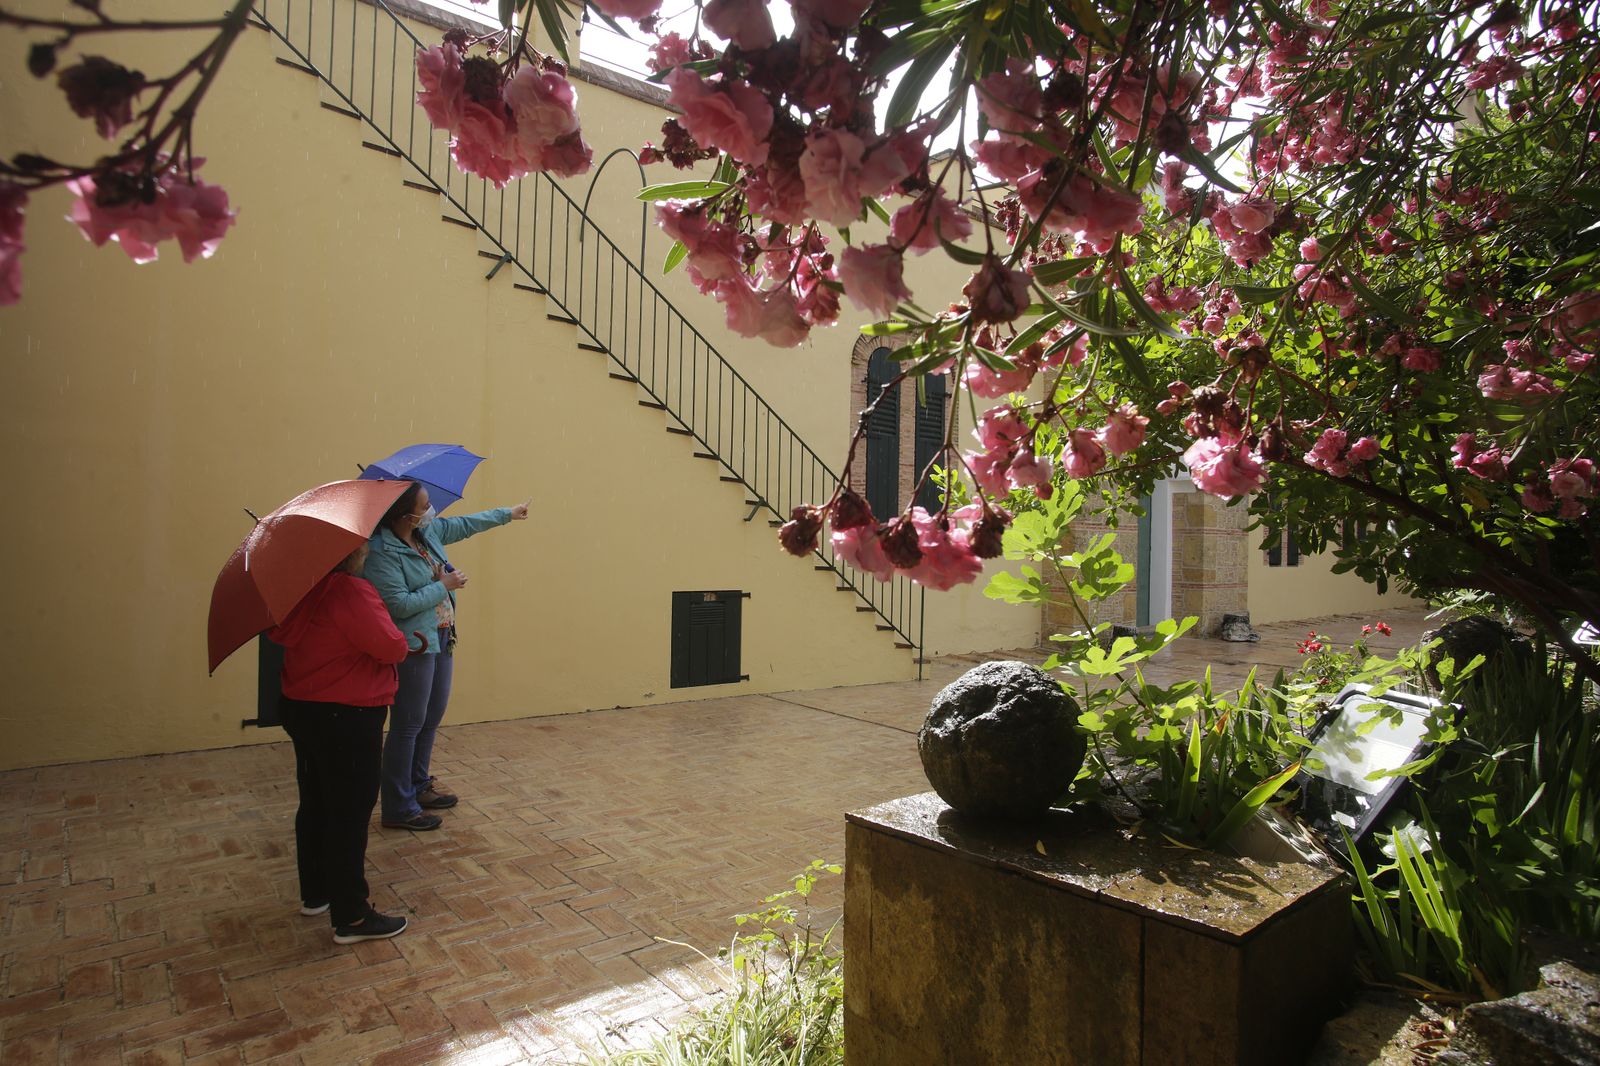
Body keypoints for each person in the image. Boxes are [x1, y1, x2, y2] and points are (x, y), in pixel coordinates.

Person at [363, 481, 528, 830]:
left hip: (441, 636)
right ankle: (398, 805)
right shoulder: (381, 551)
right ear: (404, 513)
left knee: (431, 716)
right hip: (414, 643)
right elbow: (397, 605)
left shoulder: (426, 534)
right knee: (408, 724)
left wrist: (507, 515)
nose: (431, 511)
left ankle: (419, 785)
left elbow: (464, 524)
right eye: (425, 506)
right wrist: (443, 586)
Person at [269, 541, 411, 944]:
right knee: (349, 809)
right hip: (347, 711)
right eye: (362, 545)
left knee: (315, 801)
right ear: (349, 552)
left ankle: (316, 893)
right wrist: (397, 635)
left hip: (303, 706)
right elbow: (390, 646)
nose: (367, 549)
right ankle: (351, 914)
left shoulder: (302, 590)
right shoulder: (350, 590)